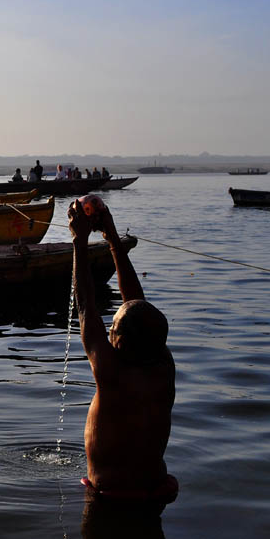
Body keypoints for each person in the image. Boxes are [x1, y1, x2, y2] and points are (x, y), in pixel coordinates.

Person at [68, 201, 178, 506]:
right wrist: (112, 239)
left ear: (121, 343)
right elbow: (137, 306)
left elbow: (86, 305)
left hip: (110, 502)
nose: (108, 329)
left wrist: (79, 241)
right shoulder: (163, 364)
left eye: (111, 328)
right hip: (155, 493)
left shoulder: (111, 372)